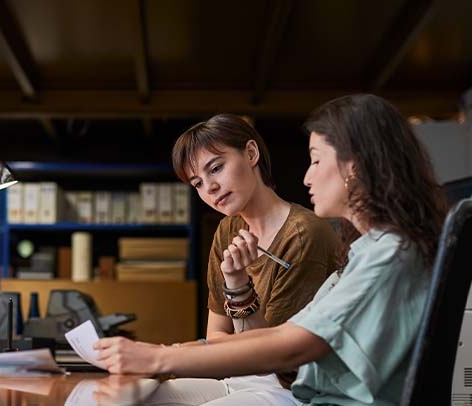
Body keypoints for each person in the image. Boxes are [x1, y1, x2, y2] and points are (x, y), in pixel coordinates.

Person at [94, 94, 447, 405]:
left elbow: (289, 348)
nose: (307, 178)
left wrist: (158, 358)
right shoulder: (370, 251)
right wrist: (159, 353)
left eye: (316, 160)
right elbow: (274, 338)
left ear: (354, 165)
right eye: (198, 183)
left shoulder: (386, 254)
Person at [111, 113, 343, 404]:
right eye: (197, 183)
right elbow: (217, 334)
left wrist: (238, 290)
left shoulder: (303, 234)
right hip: (239, 377)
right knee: (141, 398)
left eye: (216, 168)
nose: (209, 188)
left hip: (291, 390)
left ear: (250, 153)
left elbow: (278, 356)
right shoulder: (229, 228)